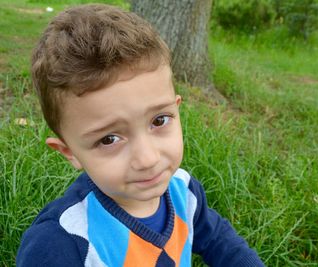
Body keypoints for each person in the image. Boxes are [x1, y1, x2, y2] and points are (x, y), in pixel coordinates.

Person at [16, 4, 264, 267]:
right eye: (109, 139)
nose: (147, 159)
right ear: (69, 152)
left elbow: (221, 242)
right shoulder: (61, 241)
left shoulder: (184, 191)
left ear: (176, 109)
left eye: (159, 120)